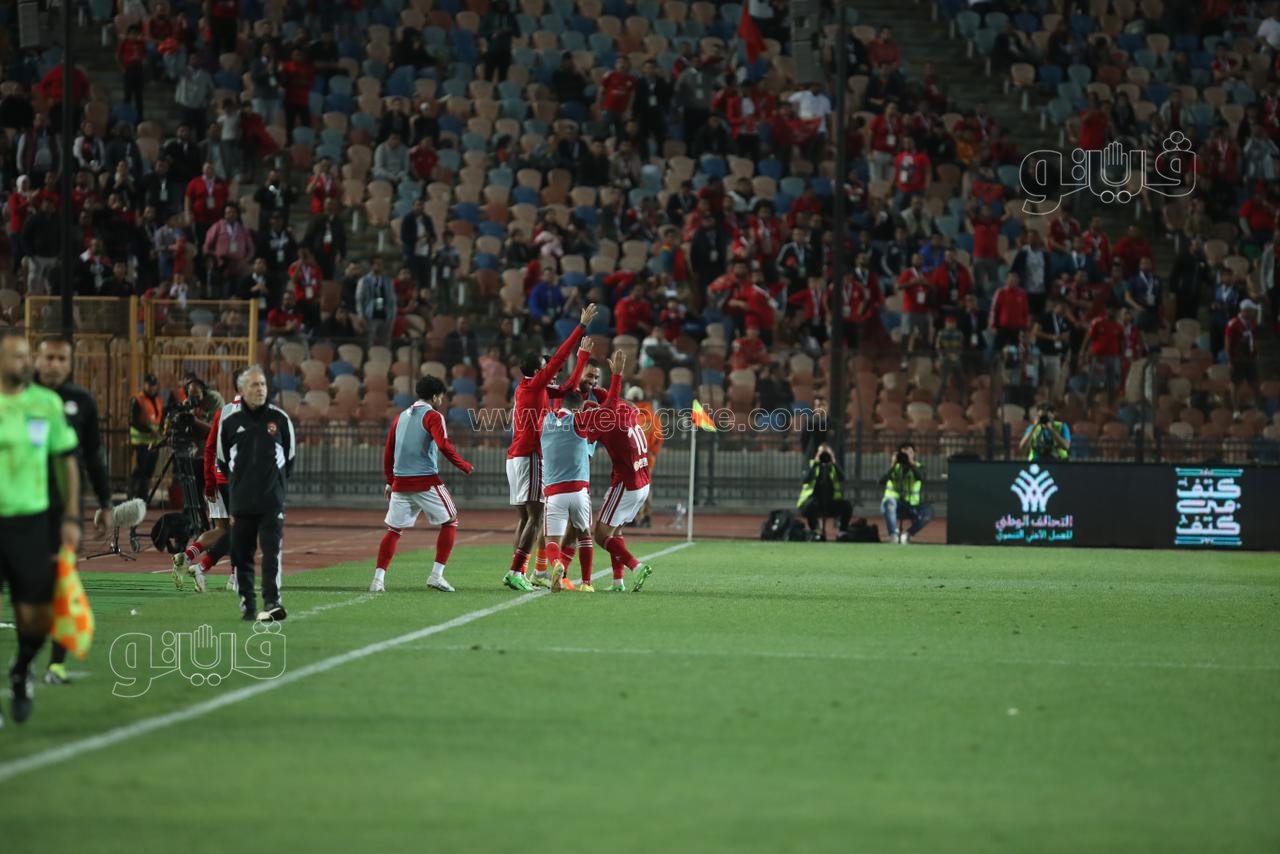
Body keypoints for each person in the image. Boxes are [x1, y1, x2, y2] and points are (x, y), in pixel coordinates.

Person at [0, 329, 81, 725]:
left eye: (25, 355)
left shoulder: (45, 404)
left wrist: (71, 517)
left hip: (31, 524)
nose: (25, 362)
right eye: (16, 355)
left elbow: (66, 460)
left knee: (37, 619)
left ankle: (21, 669)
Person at [33, 336, 111, 686]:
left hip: (65, 508)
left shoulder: (82, 401)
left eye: (61, 358)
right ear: (37, 359)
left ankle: (56, 665)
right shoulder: (17, 397)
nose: (53, 364)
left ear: (70, 363)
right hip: (20, 506)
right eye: (48, 357)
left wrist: (106, 502)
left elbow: (93, 456)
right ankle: (24, 661)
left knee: (62, 584)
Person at [503, 305, 596, 592]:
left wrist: (583, 357)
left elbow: (568, 386)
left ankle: (521, 571)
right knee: (536, 515)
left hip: (517, 455)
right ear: (537, 370)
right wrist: (580, 328)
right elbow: (558, 359)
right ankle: (517, 571)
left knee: (526, 517)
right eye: (545, 367)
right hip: (529, 455)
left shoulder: (532, 387)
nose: (550, 370)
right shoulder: (534, 385)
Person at [370, 376, 474, 593]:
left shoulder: (400, 417)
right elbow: (443, 444)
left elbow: (389, 450)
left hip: (400, 483)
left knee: (394, 530)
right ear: (435, 396)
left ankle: (378, 580)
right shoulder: (433, 416)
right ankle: (436, 575)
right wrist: (463, 465)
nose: (442, 401)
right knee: (451, 521)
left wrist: (389, 481)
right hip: (426, 481)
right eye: (441, 397)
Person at [215, 366, 295, 621]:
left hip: (272, 500)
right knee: (242, 554)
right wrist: (241, 485)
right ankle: (247, 604)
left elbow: (290, 459)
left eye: (263, 384)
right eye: (254, 385)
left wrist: (274, 485)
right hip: (241, 501)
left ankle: (272, 601)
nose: (260, 389)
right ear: (241, 389)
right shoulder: (230, 423)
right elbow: (222, 461)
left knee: (272, 552)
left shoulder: (280, 419)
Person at [587, 351, 655, 592]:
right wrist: (606, 383)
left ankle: (636, 565)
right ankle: (618, 582)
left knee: (600, 533)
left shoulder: (603, 420)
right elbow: (612, 400)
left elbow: (589, 430)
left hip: (627, 483)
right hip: (642, 481)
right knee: (616, 530)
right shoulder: (628, 409)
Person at [540, 390, 618, 593]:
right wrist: (617, 377)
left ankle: (556, 563)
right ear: (577, 410)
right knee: (584, 537)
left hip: (554, 493)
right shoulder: (579, 421)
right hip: (579, 491)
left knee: (552, 541)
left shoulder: (545, 419)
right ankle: (586, 583)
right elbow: (609, 409)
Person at [172, 388, 239, 594]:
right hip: (234, 480)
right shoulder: (252, 415)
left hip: (215, 477)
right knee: (241, 529)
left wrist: (209, 481)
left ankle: (187, 557)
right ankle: (232, 577)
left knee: (221, 529)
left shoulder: (223, 412)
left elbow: (209, 446)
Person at [880, 442, 932, 544]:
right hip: (895, 505)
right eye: (904, 454)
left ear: (914, 454)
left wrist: (911, 464)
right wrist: (893, 466)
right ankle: (893, 535)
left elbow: (920, 477)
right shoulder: (894, 468)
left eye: (910, 453)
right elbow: (881, 481)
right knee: (890, 503)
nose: (907, 456)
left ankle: (907, 534)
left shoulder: (919, 467)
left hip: (912, 506)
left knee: (928, 511)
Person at [797, 444, 852, 539]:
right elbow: (805, 480)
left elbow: (842, 477)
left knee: (847, 506)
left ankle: (842, 532)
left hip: (830, 502)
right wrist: (816, 463)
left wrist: (833, 462)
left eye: (827, 453)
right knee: (811, 505)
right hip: (813, 502)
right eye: (822, 453)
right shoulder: (811, 465)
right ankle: (816, 531)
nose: (824, 456)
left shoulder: (833, 467)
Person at [128, 374, 164, 502]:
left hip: (154, 442)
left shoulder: (158, 400)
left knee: (149, 470)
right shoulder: (138, 400)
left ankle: (142, 496)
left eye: (154, 385)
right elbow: (133, 421)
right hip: (141, 442)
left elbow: (159, 420)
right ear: (145, 384)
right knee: (140, 470)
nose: (152, 387)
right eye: (150, 384)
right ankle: (134, 495)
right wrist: (149, 431)